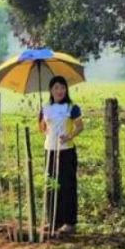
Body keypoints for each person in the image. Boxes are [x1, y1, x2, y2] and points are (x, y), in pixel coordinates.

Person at [38, 75, 83, 236]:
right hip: (50, 150)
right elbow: (42, 128)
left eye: (62, 88)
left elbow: (79, 126)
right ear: (51, 90)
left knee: (67, 186)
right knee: (51, 185)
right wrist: (43, 123)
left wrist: (69, 136)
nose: (60, 91)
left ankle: (69, 223)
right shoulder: (45, 107)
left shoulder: (72, 107)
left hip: (66, 152)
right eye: (56, 88)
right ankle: (54, 221)